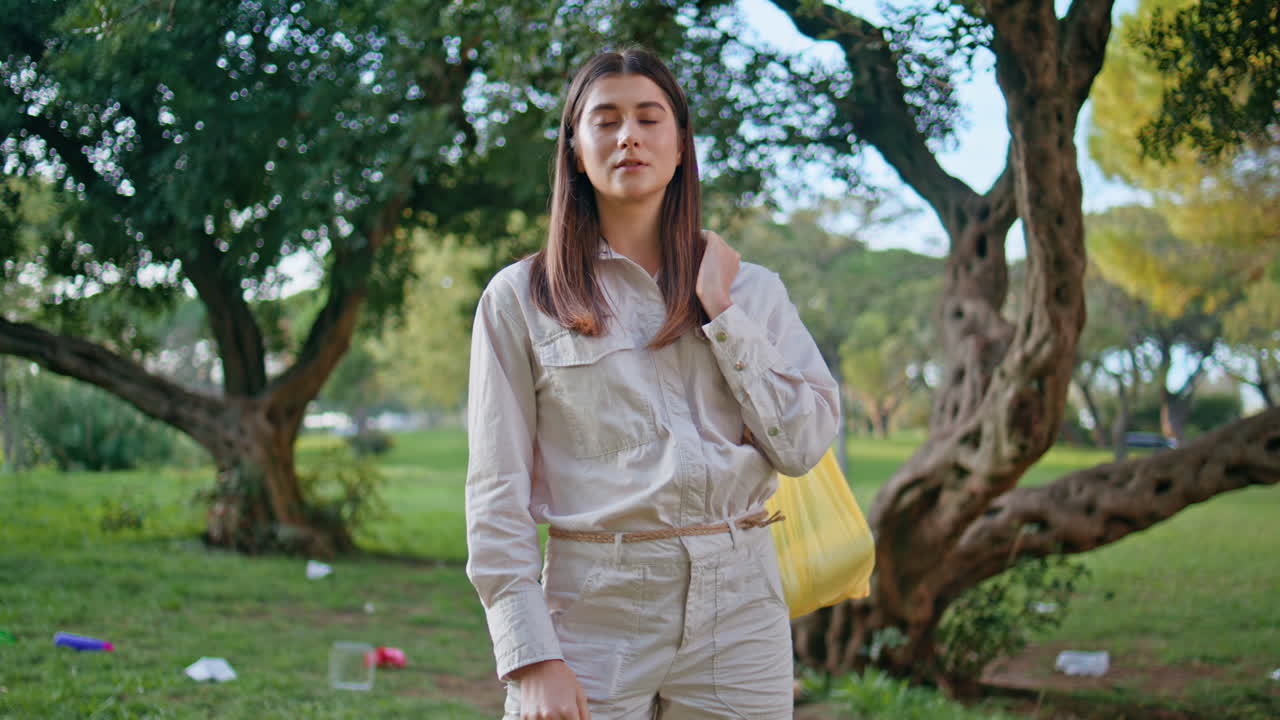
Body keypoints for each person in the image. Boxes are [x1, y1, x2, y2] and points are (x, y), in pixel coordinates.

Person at [465, 47, 840, 720]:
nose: (628, 135)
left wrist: (721, 312)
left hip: (741, 607)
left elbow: (804, 443)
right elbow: (497, 493)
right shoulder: (520, 299)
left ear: (680, 144)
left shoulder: (752, 292)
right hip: (593, 609)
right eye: (604, 120)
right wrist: (530, 655)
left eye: (648, 117)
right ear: (576, 149)